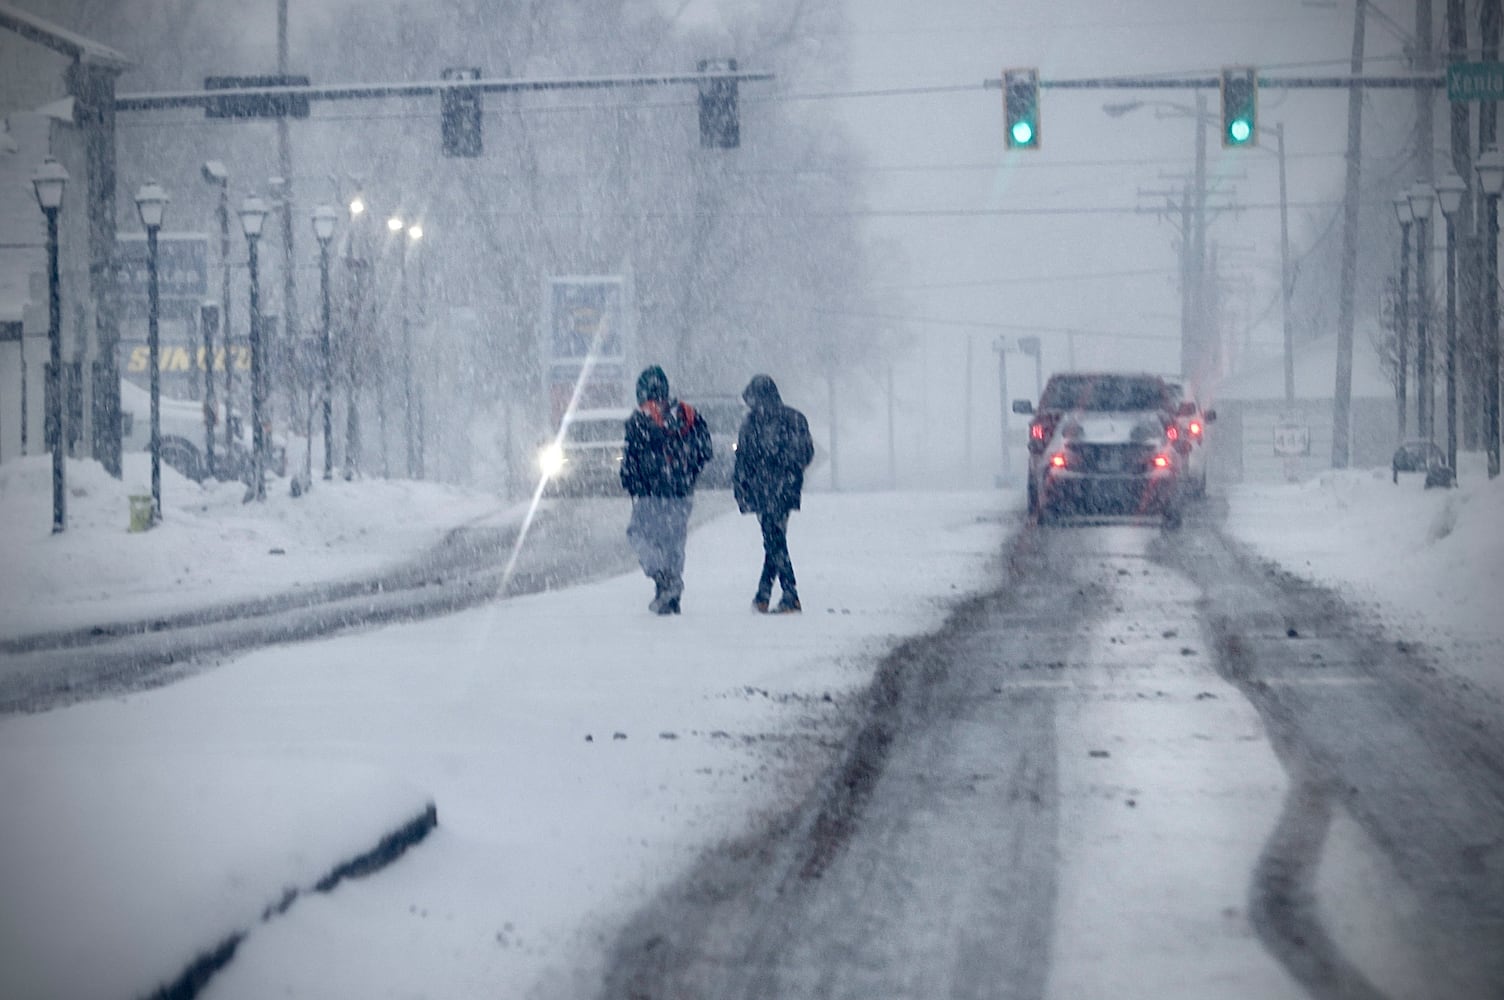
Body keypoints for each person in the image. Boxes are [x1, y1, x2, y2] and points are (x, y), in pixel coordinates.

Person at [620, 365, 713, 614]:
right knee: (674, 542)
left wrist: (632, 482)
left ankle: (663, 579)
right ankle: (670, 598)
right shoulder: (688, 415)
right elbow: (706, 450)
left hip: (651, 493)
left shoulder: (640, 419)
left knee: (638, 534)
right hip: (681, 493)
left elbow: (630, 460)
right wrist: (688, 474)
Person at [732, 374, 814, 614]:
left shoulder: (752, 424)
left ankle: (789, 594)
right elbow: (806, 453)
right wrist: (789, 469)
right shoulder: (794, 418)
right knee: (775, 540)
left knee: (774, 540)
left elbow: (743, 461)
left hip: (765, 489)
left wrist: (743, 486)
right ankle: (764, 595)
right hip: (784, 489)